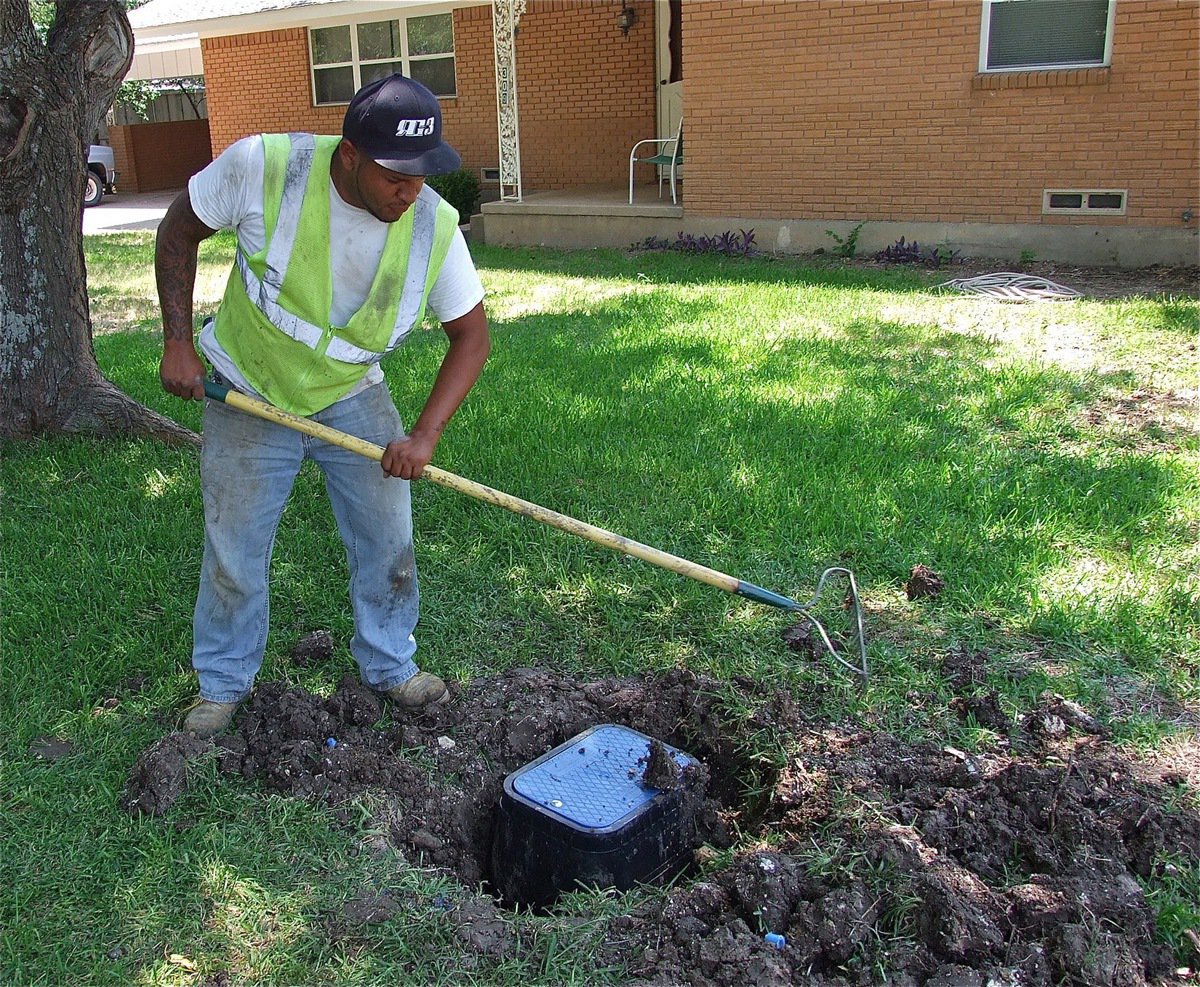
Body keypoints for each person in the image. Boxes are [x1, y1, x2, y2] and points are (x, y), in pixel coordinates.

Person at [156, 74, 490, 739]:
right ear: (349, 156)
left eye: (423, 174)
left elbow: (472, 337)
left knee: (388, 539)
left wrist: (423, 436)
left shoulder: (433, 227)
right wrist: (176, 342)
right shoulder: (262, 168)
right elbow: (176, 229)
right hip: (247, 387)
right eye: (397, 174)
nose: (412, 189)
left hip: (350, 393)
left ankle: (391, 663)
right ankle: (222, 684)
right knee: (234, 550)